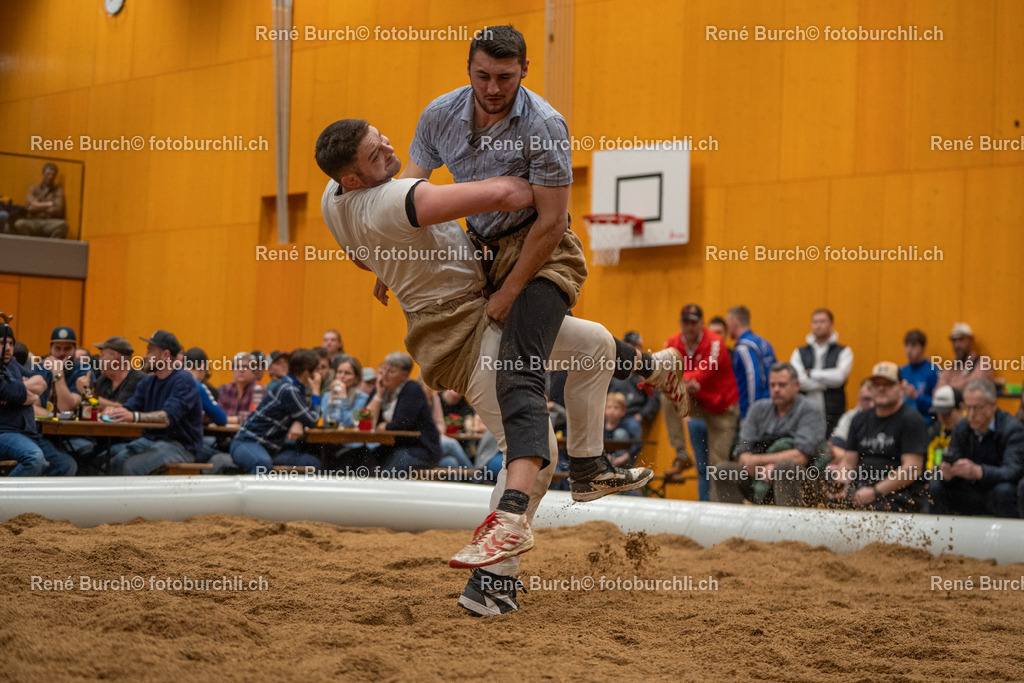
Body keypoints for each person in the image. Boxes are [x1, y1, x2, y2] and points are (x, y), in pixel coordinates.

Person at [315, 118, 687, 616]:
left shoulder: (330, 197)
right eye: (372, 153)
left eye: (380, 136)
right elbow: (509, 194)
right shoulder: (399, 199)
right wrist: (543, 168)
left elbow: (362, 259)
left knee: (594, 345)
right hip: (464, 333)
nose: (386, 147)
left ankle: (591, 465)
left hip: (475, 309)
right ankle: (490, 583)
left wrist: (390, 262)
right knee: (532, 452)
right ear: (355, 179)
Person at [400, 25, 645, 508]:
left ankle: (512, 519)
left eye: (505, 78)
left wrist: (509, 291)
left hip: (543, 250)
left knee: (519, 367)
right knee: (590, 344)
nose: (493, 88)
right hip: (481, 251)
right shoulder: (438, 115)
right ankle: (594, 461)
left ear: (525, 71)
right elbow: (407, 194)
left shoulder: (545, 125)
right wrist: (391, 260)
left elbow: (552, 223)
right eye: (483, 75)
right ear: (468, 69)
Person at [715, 363, 827, 507]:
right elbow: (743, 450)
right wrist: (759, 466)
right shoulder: (758, 409)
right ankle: (734, 527)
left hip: (805, 481)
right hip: (759, 475)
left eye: (782, 385)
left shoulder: (810, 411)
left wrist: (766, 463)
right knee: (723, 470)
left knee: (785, 468)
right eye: (772, 385)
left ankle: (789, 527)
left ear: (797, 386)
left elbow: (801, 456)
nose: (776, 390)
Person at [827, 361, 928, 512]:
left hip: (898, 495)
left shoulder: (911, 419)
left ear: (901, 387)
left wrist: (875, 492)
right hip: (861, 490)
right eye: (877, 384)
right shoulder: (859, 420)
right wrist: (840, 487)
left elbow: (912, 469)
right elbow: (849, 462)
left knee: (880, 508)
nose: (881, 388)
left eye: (888, 384)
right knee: (831, 501)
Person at [661, 304, 738, 500]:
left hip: (722, 408)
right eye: (686, 322)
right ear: (681, 324)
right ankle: (681, 453)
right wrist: (684, 383)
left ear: (702, 324)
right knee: (667, 395)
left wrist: (681, 381)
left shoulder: (715, 342)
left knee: (717, 464)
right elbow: (665, 371)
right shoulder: (673, 342)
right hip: (697, 401)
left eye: (694, 323)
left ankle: (716, 508)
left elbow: (705, 370)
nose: (690, 327)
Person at [104, 331, 204, 475]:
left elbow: (167, 417)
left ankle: (134, 498)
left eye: (150, 351)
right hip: (152, 440)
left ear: (165, 355)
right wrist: (114, 412)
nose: (145, 356)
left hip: (182, 446)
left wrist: (134, 416)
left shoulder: (184, 380)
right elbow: (130, 406)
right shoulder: (147, 382)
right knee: (113, 462)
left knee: (133, 467)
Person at [929, 379, 1023, 518]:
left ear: (993, 405)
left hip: (996, 490)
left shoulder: (1012, 428)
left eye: (977, 408)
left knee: (1005, 490)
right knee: (937, 485)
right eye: (968, 407)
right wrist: (948, 473)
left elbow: (1013, 471)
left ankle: (1008, 538)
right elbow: (955, 458)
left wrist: (980, 472)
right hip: (970, 490)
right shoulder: (962, 426)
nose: (971, 414)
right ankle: (940, 536)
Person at [0, 323, 77, 476]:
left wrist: (20, 389)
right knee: (35, 458)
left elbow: (40, 382)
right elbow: (10, 391)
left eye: (11, 343)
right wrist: (25, 391)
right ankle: (6, 497)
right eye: (2, 343)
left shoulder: (12, 364)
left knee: (66, 465)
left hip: (28, 433)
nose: (8, 348)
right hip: (5, 433)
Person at [230, 349, 323, 473]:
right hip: (247, 443)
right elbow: (312, 419)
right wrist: (316, 390)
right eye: (316, 370)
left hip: (271, 449)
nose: (318, 374)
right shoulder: (288, 389)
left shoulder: (297, 387)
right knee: (262, 463)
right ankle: (255, 493)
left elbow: (307, 414)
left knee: (311, 463)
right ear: (306, 373)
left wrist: (299, 421)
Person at [790, 308, 854, 436]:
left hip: (833, 414)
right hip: (803, 413)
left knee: (830, 451)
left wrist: (811, 374)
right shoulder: (799, 352)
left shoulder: (844, 351)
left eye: (823, 321)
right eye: (815, 322)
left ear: (832, 325)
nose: (818, 325)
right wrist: (827, 383)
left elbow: (839, 377)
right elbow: (796, 381)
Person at [726, 305, 777, 420]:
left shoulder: (744, 347)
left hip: (754, 412)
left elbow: (752, 377)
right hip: (772, 406)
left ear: (734, 322)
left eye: (727, 323)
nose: (727, 327)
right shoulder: (764, 343)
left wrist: (751, 412)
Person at [11, 163, 69, 238]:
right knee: (20, 224)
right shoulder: (34, 189)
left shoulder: (58, 191)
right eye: (48, 174)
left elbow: (58, 210)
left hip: (49, 222)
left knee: (63, 225)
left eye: (53, 175)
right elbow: (29, 207)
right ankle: (29, 247)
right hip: (33, 221)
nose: (50, 177)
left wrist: (36, 205)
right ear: (43, 173)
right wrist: (49, 204)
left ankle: (50, 248)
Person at [936, 323, 995, 392]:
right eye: (954, 341)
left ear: (971, 341)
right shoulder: (950, 368)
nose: (957, 345)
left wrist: (949, 389)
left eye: (961, 340)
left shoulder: (983, 364)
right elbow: (938, 391)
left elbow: (973, 388)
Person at [900, 329, 940, 419]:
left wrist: (915, 396)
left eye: (913, 346)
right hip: (902, 420)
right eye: (907, 346)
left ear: (924, 347)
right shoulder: (901, 371)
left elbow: (936, 404)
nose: (909, 350)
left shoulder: (933, 371)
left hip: (924, 421)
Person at [218, 352, 264, 423]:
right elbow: (218, 414)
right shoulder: (226, 389)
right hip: (222, 432)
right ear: (232, 370)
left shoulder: (259, 390)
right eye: (238, 367)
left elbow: (255, 418)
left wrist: (226, 419)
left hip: (247, 433)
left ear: (253, 372)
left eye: (246, 367)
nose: (241, 370)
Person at [604, 392, 641, 468]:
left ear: (623, 411)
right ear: (604, 409)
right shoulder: (601, 426)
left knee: (620, 433)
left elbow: (637, 445)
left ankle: (622, 469)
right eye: (609, 407)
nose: (612, 410)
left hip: (623, 460)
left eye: (616, 407)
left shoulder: (628, 425)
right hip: (606, 459)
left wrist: (623, 458)